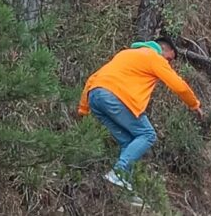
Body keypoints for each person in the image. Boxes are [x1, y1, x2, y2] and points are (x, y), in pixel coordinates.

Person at [77, 37, 203, 199]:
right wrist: (194, 105)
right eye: (169, 59)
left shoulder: (126, 54)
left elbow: (93, 78)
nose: (168, 64)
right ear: (163, 50)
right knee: (147, 134)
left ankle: (123, 191)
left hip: (95, 97)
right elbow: (178, 85)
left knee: (129, 142)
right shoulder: (153, 57)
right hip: (116, 97)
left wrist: (83, 108)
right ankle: (119, 172)